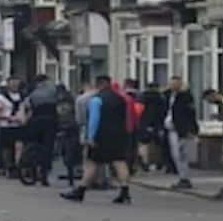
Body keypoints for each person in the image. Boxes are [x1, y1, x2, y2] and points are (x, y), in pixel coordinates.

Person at [61, 75, 132, 204]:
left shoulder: (96, 100)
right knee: (119, 162)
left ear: (98, 85)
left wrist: (90, 137)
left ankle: (80, 190)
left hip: (101, 135)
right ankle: (125, 191)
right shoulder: (121, 99)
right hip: (119, 134)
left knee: (91, 162)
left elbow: (94, 119)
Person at [22, 75, 59, 186]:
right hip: (50, 123)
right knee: (48, 148)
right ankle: (44, 175)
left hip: (35, 123)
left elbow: (27, 108)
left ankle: (32, 171)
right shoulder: (53, 92)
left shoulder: (32, 94)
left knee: (33, 146)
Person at [163, 76, 198, 190]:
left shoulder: (185, 97)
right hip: (170, 128)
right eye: (171, 83)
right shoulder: (166, 95)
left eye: (176, 84)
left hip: (181, 129)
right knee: (175, 154)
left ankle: (184, 178)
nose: (173, 86)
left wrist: (192, 129)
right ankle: (182, 176)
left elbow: (191, 113)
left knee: (181, 154)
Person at [0, 77, 25, 176]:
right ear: (8, 85)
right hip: (6, 126)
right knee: (7, 148)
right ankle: (9, 167)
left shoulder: (23, 96)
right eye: (12, 84)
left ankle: (17, 166)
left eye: (16, 84)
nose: (15, 86)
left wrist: (25, 118)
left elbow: (28, 109)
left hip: (19, 125)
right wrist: (9, 118)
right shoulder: (0, 98)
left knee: (19, 146)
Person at [137, 82, 167, 173]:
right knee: (158, 144)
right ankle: (159, 162)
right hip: (159, 123)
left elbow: (138, 110)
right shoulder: (161, 98)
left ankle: (145, 162)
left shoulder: (142, 97)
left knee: (144, 143)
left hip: (144, 122)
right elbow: (164, 111)